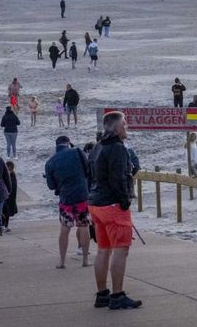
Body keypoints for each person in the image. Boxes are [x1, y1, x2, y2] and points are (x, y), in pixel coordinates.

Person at [89, 112, 141, 309]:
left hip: (95, 203)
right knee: (121, 249)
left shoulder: (97, 147)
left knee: (103, 250)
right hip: (112, 205)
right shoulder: (117, 148)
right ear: (116, 127)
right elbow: (119, 177)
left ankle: (102, 294)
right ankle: (117, 295)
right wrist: (124, 200)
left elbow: (91, 175)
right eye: (124, 124)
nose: (126, 127)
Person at [45, 135, 93, 268]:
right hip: (82, 196)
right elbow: (88, 170)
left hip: (65, 199)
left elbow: (51, 186)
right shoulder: (77, 152)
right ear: (68, 143)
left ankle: (62, 261)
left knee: (65, 229)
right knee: (84, 227)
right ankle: (85, 260)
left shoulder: (50, 162)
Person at [3, 160, 18, 232]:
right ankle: (3, 225)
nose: (10, 171)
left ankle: (6, 226)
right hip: (6, 197)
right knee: (4, 211)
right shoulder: (4, 175)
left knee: (7, 212)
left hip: (10, 197)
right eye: (9, 169)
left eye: (11, 170)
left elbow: (13, 186)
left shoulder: (12, 175)